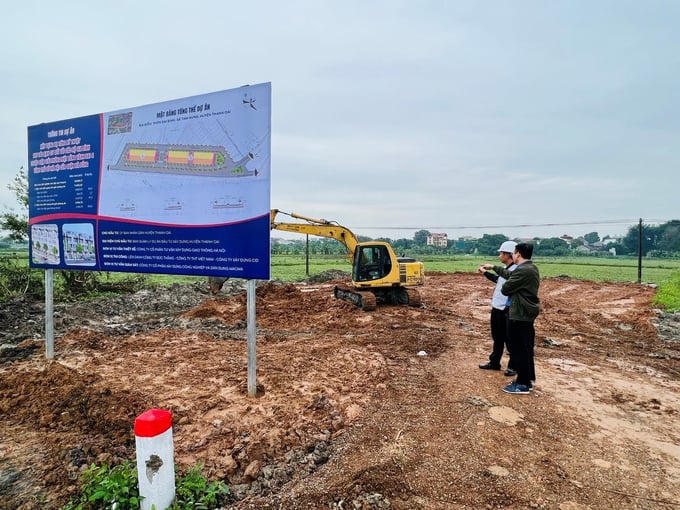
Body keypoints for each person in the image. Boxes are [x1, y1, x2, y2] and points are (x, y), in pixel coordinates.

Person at [481, 242, 540, 395]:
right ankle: (526, 380)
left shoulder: (523, 270)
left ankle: (523, 383)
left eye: (513, 252)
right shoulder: (528, 268)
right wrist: (493, 268)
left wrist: (509, 286)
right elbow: (508, 276)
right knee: (524, 348)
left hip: (519, 315)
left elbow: (506, 288)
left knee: (520, 349)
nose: (513, 255)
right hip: (523, 314)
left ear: (518, 254)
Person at [477, 240, 517, 375]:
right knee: (498, 338)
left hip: (507, 309)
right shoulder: (506, 269)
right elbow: (498, 280)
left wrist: (492, 267)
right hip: (497, 308)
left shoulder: (515, 270)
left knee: (510, 339)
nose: (499, 255)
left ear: (508, 254)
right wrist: (485, 273)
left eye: (501, 253)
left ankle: (513, 366)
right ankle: (494, 362)